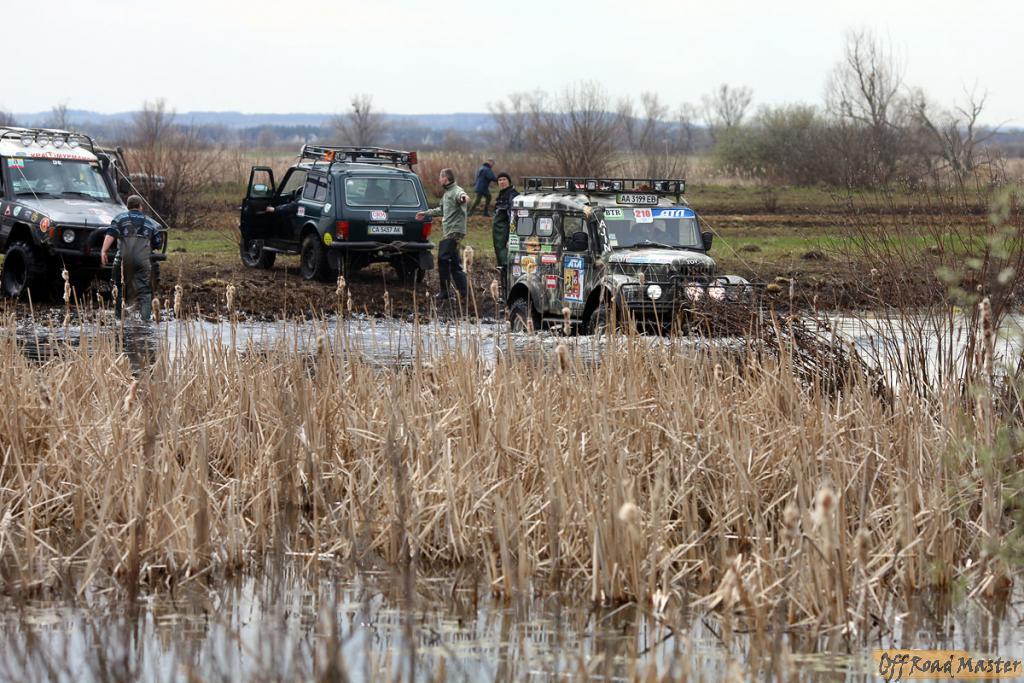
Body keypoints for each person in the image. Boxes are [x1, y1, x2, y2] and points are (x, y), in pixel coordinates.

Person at [101, 195, 161, 321]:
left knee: (118, 287)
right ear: (140, 206)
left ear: (128, 206)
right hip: (142, 260)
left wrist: (104, 251)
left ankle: (118, 319)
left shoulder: (119, 218)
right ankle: (145, 321)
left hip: (123, 259)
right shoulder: (150, 222)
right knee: (144, 291)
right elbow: (158, 243)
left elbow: (110, 234)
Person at [416, 168, 468, 301]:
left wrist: (464, 198)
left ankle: (445, 292)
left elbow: (462, 196)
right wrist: (425, 213)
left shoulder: (456, 191)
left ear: (446, 178)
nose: (439, 180)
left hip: (454, 231)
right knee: (454, 262)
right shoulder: (447, 194)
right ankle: (464, 293)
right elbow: (441, 210)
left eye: (441, 177)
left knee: (443, 258)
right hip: (449, 231)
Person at [491, 172, 518, 291]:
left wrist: (510, 238)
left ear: (509, 181)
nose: (502, 182)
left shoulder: (512, 195)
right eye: (499, 180)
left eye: (504, 179)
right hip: (500, 241)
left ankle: (509, 290)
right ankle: (505, 290)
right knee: (502, 264)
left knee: (508, 264)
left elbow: (513, 218)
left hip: (507, 239)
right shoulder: (502, 195)